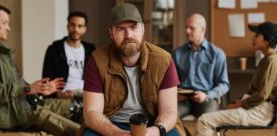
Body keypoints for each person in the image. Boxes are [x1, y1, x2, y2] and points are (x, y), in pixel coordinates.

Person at [81, 3, 185, 136]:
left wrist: (154, 131)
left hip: (153, 123)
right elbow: (91, 112)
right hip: (110, 122)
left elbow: (169, 111)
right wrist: (115, 133)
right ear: (111, 33)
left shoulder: (164, 60)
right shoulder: (97, 60)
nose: (128, 35)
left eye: (134, 27)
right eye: (120, 29)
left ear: (143, 29)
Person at [0, 4, 80, 136]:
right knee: (76, 131)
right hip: (14, 117)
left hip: (25, 108)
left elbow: (18, 88)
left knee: (75, 106)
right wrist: (27, 89)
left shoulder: (1, 53)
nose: (8, 28)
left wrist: (41, 90)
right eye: (5, 23)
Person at [194, 21, 277, 136]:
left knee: (204, 120)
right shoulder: (266, 60)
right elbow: (254, 93)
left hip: (261, 111)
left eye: (257, 35)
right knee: (214, 117)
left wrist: (240, 104)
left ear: (267, 40)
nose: (253, 38)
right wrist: (236, 102)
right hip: (255, 106)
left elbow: (262, 95)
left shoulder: (272, 61)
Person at [172, 13, 230, 118]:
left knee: (207, 119)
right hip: (183, 100)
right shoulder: (177, 53)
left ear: (203, 29)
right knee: (168, 116)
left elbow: (224, 84)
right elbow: (171, 80)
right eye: (186, 27)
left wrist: (207, 95)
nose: (187, 31)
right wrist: (175, 93)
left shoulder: (217, 54)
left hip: (206, 98)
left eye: (192, 28)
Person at [42, 11, 95, 99]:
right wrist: (58, 94)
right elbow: (47, 80)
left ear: (85, 29)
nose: (76, 29)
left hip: (85, 94)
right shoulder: (54, 49)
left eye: (80, 26)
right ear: (67, 26)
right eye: (72, 25)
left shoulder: (91, 50)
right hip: (63, 95)